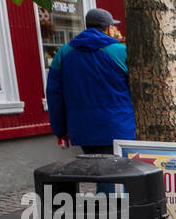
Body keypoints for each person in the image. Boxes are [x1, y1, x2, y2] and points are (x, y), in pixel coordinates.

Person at [46, 8, 135, 153]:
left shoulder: (63, 53)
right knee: (120, 173)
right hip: (120, 128)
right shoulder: (122, 52)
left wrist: (59, 130)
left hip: (82, 129)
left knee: (94, 173)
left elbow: (54, 94)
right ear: (109, 28)